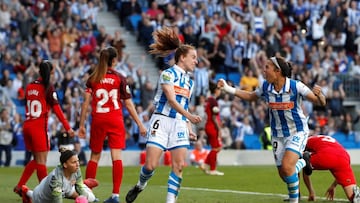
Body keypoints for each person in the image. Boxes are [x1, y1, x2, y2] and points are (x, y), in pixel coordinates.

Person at [218, 56, 326, 203]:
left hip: (297, 131)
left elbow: (320, 102)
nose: (264, 70)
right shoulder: (265, 87)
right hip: (277, 134)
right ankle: (303, 164)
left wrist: (320, 95)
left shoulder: (296, 86)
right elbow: (250, 96)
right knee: (284, 174)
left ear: (277, 71)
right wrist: (227, 88)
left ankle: (295, 197)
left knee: (288, 167)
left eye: (267, 67)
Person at [125, 27, 202, 203]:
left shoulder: (190, 83)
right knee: (151, 165)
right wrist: (190, 117)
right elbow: (172, 100)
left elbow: (184, 104)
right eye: (193, 57)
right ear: (182, 57)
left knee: (179, 165)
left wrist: (189, 127)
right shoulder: (167, 74)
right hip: (162, 120)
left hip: (180, 123)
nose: (196, 61)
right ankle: (140, 185)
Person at [78, 46, 147, 203]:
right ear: (114, 60)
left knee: (94, 156)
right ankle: (115, 195)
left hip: (99, 120)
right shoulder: (120, 78)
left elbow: (85, 103)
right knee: (116, 157)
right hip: (115, 119)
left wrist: (81, 125)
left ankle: (89, 195)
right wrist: (140, 124)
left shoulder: (93, 78)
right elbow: (129, 104)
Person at [14, 60, 75, 196]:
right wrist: (68, 127)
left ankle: (19, 186)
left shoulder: (30, 86)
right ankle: (46, 193)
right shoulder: (48, 87)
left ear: (39, 71)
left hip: (28, 125)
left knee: (36, 160)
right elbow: (57, 110)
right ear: (52, 71)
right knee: (41, 162)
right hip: (38, 127)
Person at [21, 150, 98, 203]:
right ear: (65, 165)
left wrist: (84, 199)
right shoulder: (56, 180)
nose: (78, 164)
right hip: (43, 199)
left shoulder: (75, 168)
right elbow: (57, 200)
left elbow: (80, 188)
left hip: (64, 188)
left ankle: (81, 184)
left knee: (90, 197)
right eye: (74, 162)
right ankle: (25, 191)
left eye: (77, 161)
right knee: (35, 196)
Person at [302, 135, 360, 203]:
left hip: (326, 155)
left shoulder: (305, 140)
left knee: (300, 164)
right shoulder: (325, 137)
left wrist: (311, 191)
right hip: (344, 157)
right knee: (353, 196)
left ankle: (295, 195)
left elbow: (305, 173)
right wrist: (333, 186)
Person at [201, 81, 224, 175]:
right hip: (212, 126)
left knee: (216, 147)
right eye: (219, 90)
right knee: (216, 148)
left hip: (208, 125)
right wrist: (219, 129)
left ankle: (205, 164)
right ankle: (212, 169)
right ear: (216, 90)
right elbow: (214, 117)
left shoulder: (209, 100)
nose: (220, 92)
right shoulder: (213, 101)